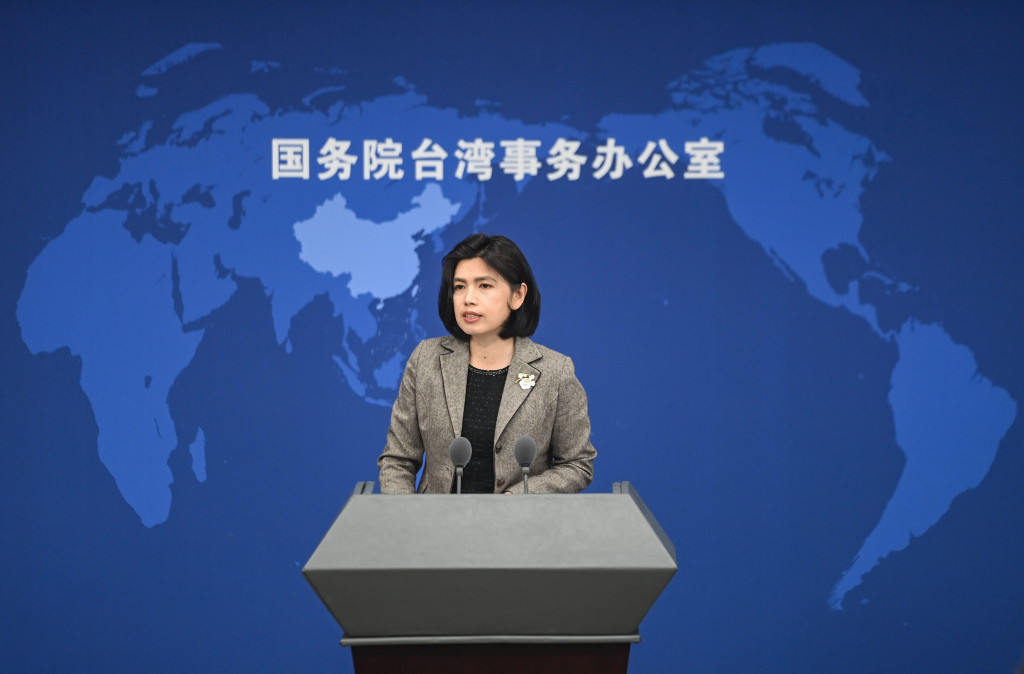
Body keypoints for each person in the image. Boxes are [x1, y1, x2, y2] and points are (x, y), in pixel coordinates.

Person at [377, 233, 596, 494]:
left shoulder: (555, 372)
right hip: (436, 518)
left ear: (517, 295)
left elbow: (577, 464)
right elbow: (397, 460)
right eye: (459, 287)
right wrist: (405, 513)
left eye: (484, 285)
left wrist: (518, 498)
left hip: (519, 518)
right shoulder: (426, 359)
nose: (468, 298)